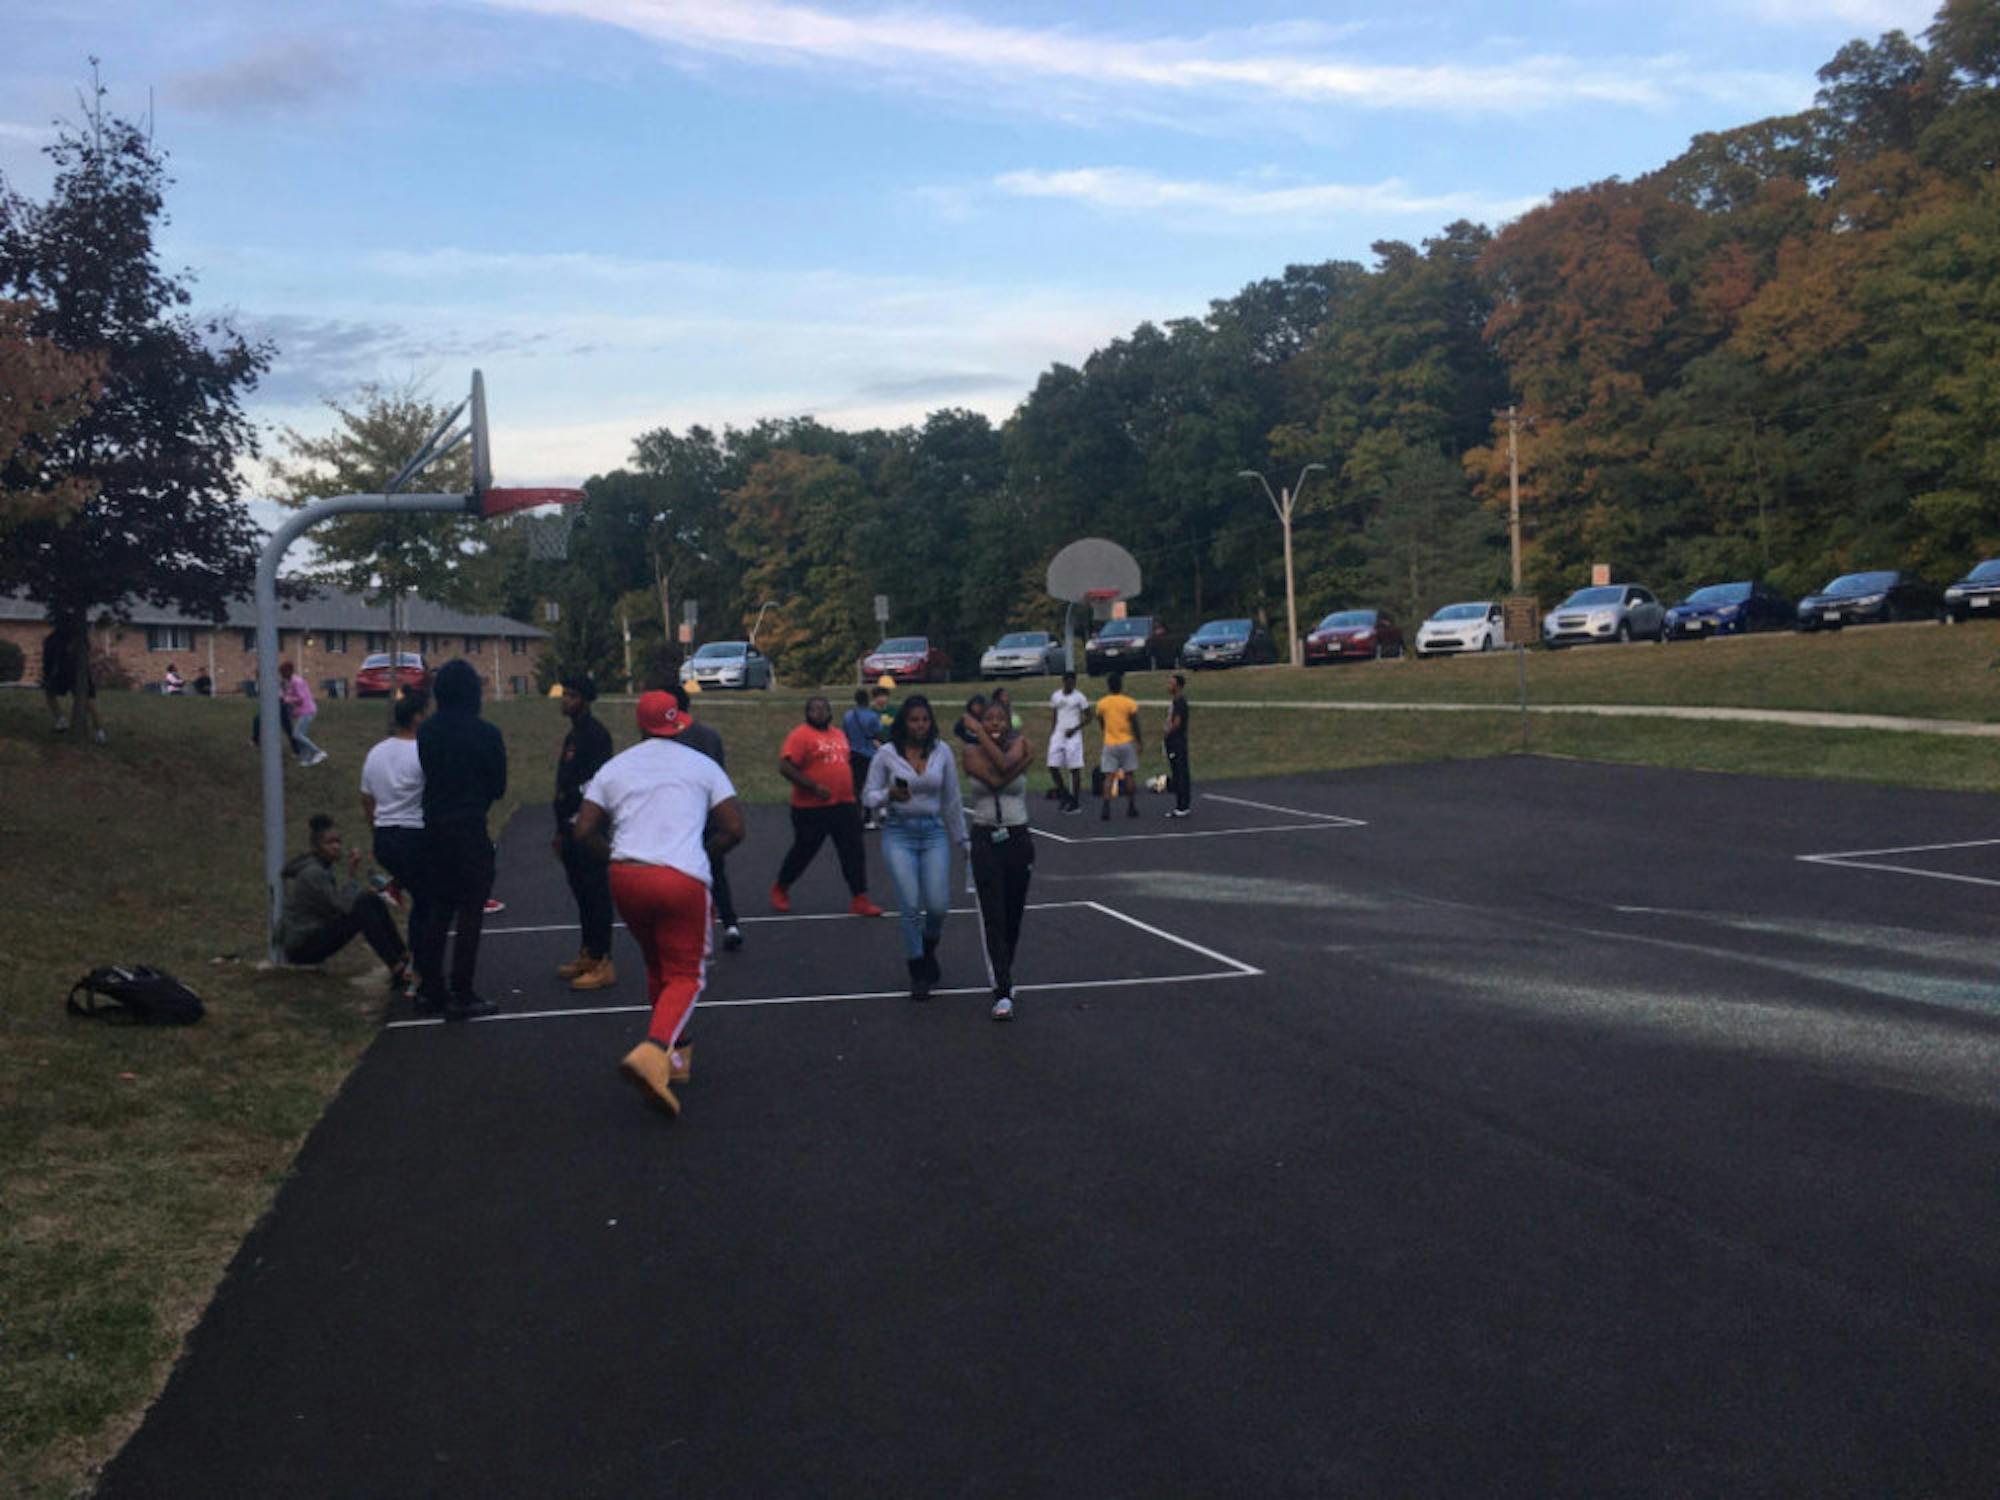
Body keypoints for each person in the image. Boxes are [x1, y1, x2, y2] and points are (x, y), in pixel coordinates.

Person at [573, 690, 745, 1121]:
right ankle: (653, 1052)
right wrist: (703, 853)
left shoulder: (615, 767)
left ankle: (676, 1057)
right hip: (680, 879)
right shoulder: (702, 765)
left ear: (639, 725)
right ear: (680, 723)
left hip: (626, 877)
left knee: (658, 966)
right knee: (687, 974)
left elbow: (584, 830)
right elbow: (734, 828)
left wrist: (615, 856)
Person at [414, 659, 507, 1021]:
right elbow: (498, 785)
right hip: (469, 824)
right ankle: (462, 990)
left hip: (433, 826)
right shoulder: (486, 733)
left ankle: (430, 988)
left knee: (438, 910)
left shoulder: (428, 731)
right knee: (470, 911)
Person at [862, 695, 968, 1001]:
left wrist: (963, 839)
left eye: (924, 720)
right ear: (903, 723)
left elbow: (951, 799)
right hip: (899, 832)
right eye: (913, 720)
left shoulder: (942, 751)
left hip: (933, 832)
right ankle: (917, 968)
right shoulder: (886, 754)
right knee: (909, 905)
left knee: (938, 906)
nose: (920, 725)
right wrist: (889, 794)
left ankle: (928, 948)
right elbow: (867, 797)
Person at [771, 695, 884, 918]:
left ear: (831, 712)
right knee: (804, 850)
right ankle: (781, 887)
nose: (820, 712)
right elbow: (785, 767)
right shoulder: (800, 735)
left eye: (824, 708)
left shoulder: (839, 734)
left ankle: (860, 898)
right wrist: (813, 787)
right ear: (807, 713)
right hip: (811, 806)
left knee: (853, 851)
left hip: (844, 804)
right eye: (815, 709)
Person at [960, 695, 1035, 1021]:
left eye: (1000, 718)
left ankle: (1005, 971)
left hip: (1017, 835)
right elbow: (995, 777)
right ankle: (1002, 990)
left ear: (1008, 721)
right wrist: (1022, 762)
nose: (994, 724)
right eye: (987, 719)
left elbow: (1004, 764)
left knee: (1013, 914)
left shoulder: (1020, 743)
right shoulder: (971, 751)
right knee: (993, 914)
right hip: (985, 836)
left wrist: (1018, 759)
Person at [277, 813, 413, 989]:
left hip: (313, 936)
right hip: (303, 948)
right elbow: (342, 907)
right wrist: (352, 874)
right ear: (317, 847)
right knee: (364, 905)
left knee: (369, 899)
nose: (336, 847)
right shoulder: (313, 873)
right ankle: (396, 967)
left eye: (338, 841)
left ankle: (403, 957)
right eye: (329, 843)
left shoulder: (319, 867)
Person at [360, 692, 432, 1003]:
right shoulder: (422, 751)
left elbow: (367, 799)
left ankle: (393, 885)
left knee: (420, 895)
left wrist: (376, 829)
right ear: (417, 717)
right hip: (412, 834)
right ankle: (418, 970)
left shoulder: (376, 752)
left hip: (384, 836)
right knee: (426, 905)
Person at [551, 673, 618, 991]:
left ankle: (603, 960)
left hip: (588, 826)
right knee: (580, 892)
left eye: (572, 696)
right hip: (568, 826)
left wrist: (581, 815)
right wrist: (560, 827)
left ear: (585, 700)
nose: (566, 700)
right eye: (565, 694)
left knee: (596, 893)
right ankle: (588, 953)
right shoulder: (573, 735)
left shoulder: (596, 735)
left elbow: (598, 782)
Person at [668, 681, 744, 951]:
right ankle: (730, 923)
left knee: (678, 872)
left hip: (681, 815)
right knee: (715, 868)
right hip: (709, 811)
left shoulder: (667, 738)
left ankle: (690, 927)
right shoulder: (710, 735)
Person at [42, 619, 103, 744]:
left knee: (87, 701)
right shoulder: (76, 637)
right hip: (71, 671)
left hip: (68, 672)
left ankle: (98, 731)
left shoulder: (55, 638)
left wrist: (49, 673)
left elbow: (49, 658)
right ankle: (99, 732)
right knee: (87, 701)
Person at [1095, 670, 1143, 820]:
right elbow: (1135, 723)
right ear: (1121, 685)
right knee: (1129, 774)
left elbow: (1101, 721)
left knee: (1109, 776)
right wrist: (1139, 740)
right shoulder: (1129, 703)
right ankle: (1131, 805)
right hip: (1126, 741)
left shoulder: (1102, 703)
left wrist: (1107, 731)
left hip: (1110, 742)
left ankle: (1106, 806)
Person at [842, 687, 886, 830]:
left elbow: (845, 733)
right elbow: (878, 733)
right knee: (869, 786)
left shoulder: (848, 715)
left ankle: (856, 817)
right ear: (867, 700)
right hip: (869, 754)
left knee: (856, 787)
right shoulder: (872, 716)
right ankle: (868, 818)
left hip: (853, 753)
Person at [1046, 670, 1088, 813]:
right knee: (1052, 766)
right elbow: (1055, 715)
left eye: (1073, 682)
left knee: (1074, 768)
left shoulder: (1080, 697)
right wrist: (1053, 732)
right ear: (1063, 681)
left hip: (1073, 736)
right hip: (1058, 734)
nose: (1071, 685)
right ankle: (1064, 795)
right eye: (1068, 682)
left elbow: (1088, 716)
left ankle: (1075, 801)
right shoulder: (1056, 696)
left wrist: (1075, 729)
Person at [279, 660, 327, 766]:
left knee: (297, 734)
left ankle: (318, 752)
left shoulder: (297, 682)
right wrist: (284, 695)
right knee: (300, 735)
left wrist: (288, 699)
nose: (281, 675)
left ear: (288, 671)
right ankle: (306, 759)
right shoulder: (290, 682)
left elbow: (301, 698)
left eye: (282, 673)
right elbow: (289, 694)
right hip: (302, 712)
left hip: (307, 711)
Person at [1163, 672, 1193, 818]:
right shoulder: (1175, 701)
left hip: (1177, 742)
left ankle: (1183, 805)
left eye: (1172, 683)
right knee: (1176, 772)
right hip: (1174, 742)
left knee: (1180, 772)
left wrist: (1168, 733)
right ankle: (1180, 804)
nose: (1169, 686)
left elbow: (1177, 722)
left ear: (1178, 686)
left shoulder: (1180, 702)